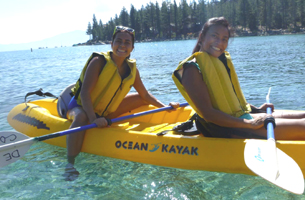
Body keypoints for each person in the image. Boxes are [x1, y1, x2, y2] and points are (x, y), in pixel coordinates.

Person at [64, 26, 179, 180]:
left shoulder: (132, 69)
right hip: (79, 107)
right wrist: (93, 119)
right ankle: (70, 164)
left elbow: (144, 94)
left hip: (104, 112)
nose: (122, 45)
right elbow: (84, 93)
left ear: (132, 48)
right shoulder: (99, 61)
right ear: (111, 44)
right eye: (118, 41)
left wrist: (165, 107)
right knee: (81, 117)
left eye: (127, 42)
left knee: (139, 99)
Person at [172, 17, 305, 139]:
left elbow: (230, 103)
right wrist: (249, 123)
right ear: (202, 37)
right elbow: (209, 114)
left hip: (238, 119)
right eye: (215, 36)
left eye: (225, 39)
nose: (220, 42)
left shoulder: (218, 63)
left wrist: (256, 109)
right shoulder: (191, 69)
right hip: (222, 128)